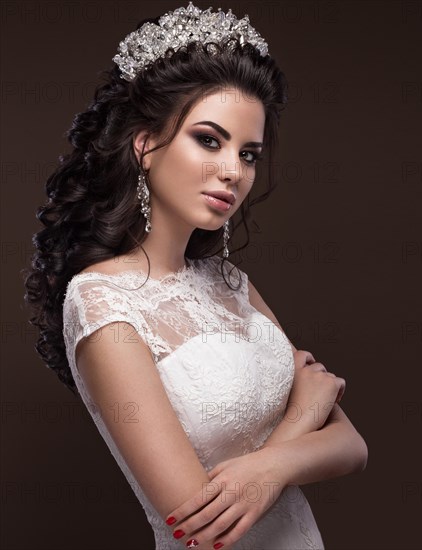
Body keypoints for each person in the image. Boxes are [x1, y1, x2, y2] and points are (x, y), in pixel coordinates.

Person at [23, 3, 368, 549]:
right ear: (144, 145)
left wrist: (270, 464)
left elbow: (353, 446)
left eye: (248, 153)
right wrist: (298, 425)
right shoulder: (99, 301)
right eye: (209, 139)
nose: (233, 170)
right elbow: (196, 527)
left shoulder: (231, 281)